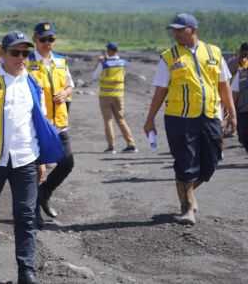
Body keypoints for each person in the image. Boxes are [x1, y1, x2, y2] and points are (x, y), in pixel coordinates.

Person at [0, 31, 59, 284]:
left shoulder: (32, 83)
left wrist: (41, 161)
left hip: (26, 159)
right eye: (15, 52)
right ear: (2, 54)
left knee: (26, 214)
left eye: (25, 53)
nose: (21, 58)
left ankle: (26, 271)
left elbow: (38, 125)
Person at [144, 13, 236, 225]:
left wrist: (231, 112)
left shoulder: (214, 52)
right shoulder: (169, 56)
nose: (175, 33)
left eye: (179, 29)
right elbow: (160, 91)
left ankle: (187, 192)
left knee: (210, 163)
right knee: (185, 163)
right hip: (179, 118)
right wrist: (150, 119)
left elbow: (223, 85)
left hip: (210, 115)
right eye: (173, 30)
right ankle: (187, 208)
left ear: (192, 29)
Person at [27, 22, 74, 222]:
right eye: (43, 39)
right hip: (38, 124)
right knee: (37, 168)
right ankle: (33, 211)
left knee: (67, 162)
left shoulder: (61, 61)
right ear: (35, 40)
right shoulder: (26, 61)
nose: (47, 43)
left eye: (51, 39)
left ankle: (44, 193)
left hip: (59, 122)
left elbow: (70, 85)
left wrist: (64, 93)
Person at [90, 42, 137, 153]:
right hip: (119, 95)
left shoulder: (104, 64)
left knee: (108, 121)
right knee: (121, 119)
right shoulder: (123, 63)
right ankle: (131, 144)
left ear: (109, 51)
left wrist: (100, 62)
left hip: (105, 96)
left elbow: (94, 76)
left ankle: (111, 147)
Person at [231, 52, 248, 153]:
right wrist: (231, 110)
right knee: (242, 137)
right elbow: (235, 93)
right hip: (243, 111)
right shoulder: (240, 74)